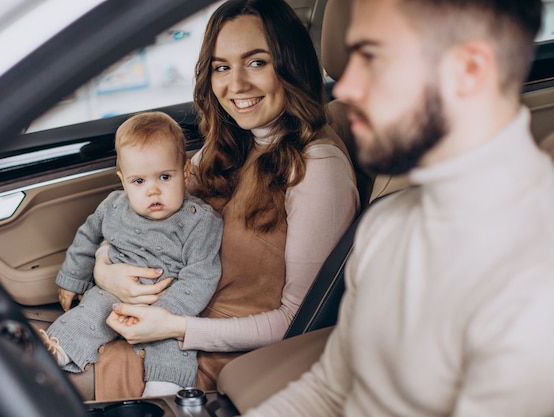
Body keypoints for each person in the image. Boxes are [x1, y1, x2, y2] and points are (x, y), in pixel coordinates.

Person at [242, 0, 554, 416]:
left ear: (470, 70)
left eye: (373, 57)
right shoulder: (388, 223)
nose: (347, 88)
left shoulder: (535, 284)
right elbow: (330, 389)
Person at [91, 0, 360, 396]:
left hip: (213, 359)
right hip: (157, 325)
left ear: (290, 65)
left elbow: (298, 321)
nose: (235, 86)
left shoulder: (316, 167)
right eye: (221, 67)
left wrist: (175, 327)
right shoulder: (230, 144)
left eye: (256, 63)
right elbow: (144, 215)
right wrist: (104, 270)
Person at [39, 111, 224, 397]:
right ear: (122, 180)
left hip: (166, 301)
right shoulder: (113, 205)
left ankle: (163, 393)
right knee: (87, 316)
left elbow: (200, 276)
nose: (153, 191)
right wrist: (71, 279)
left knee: (172, 345)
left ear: (185, 173)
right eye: (139, 182)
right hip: (112, 295)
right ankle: (56, 352)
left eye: (164, 177)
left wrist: (164, 315)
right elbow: (88, 237)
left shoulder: (200, 221)